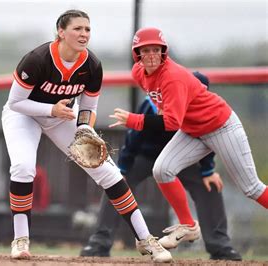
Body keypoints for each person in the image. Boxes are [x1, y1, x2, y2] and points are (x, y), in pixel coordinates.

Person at [1, 10, 172, 263]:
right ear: (61, 32)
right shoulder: (37, 59)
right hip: (24, 115)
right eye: (77, 29)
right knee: (23, 167)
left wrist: (84, 130)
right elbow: (15, 103)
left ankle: (146, 239)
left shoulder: (92, 65)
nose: (83, 34)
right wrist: (51, 109)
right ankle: (21, 240)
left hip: (64, 118)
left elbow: (88, 108)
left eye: (87, 29)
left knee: (108, 172)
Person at [108, 27, 268, 250]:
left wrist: (134, 120)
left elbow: (171, 122)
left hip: (221, 126)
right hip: (193, 130)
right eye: (146, 50)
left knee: (252, 188)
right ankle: (188, 225)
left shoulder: (172, 77)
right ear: (137, 55)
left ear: (164, 52)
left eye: (157, 49)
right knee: (162, 170)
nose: (152, 55)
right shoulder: (139, 73)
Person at [81, 73, 242, 261]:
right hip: (146, 154)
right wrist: (122, 170)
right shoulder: (152, 104)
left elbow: (208, 137)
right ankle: (100, 242)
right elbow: (133, 138)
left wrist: (208, 171)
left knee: (210, 184)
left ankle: (220, 247)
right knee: (114, 182)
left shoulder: (202, 109)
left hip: (183, 157)